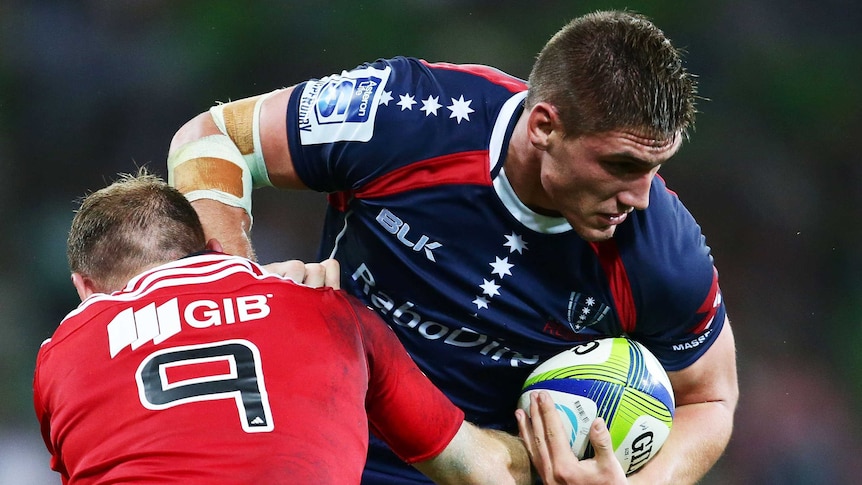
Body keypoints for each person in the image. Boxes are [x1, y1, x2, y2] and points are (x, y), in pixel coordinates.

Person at [167, 9, 739, 485]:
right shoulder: (410, 116)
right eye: (621, 165)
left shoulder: (663, 254)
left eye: (654, 169)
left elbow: (709, 402)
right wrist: (230, 282)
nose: (639, 197)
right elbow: (215, 137)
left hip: (473, 470)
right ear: (544, 127)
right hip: (305, 443)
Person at [33, 171, 531, 485]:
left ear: (84, 288)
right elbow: (481, 470)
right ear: (212, 250)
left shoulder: (63, 352)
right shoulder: (331, 310)